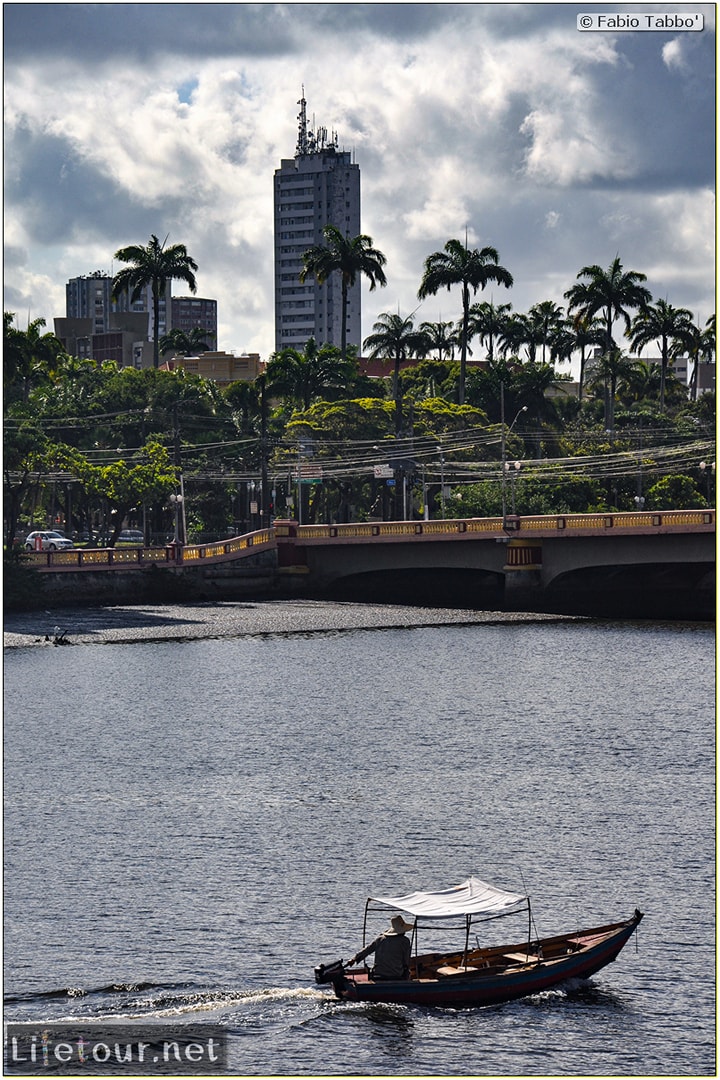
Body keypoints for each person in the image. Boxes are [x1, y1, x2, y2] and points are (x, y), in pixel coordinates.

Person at [349, 914, 414, 980]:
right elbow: (406, 961)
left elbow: (367, 950)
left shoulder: (380, 939)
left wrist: (354, 959)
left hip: (378, 974)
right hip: (396, 974)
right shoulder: (405, 941)